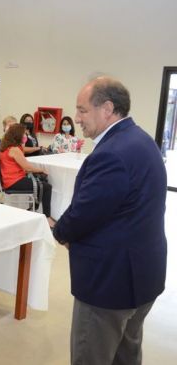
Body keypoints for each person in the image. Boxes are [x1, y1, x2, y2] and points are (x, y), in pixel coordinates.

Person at [53, 77, 167, 365]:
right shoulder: (142, 140)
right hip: (143, 275)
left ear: (107, 108)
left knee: (91, 355)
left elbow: (83, 213)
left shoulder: (112, 154)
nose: (76, 118)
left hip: (110, 283)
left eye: (82, 110)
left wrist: (60, 231)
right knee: (126, 354)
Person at [0, 123, 55, 227]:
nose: (26, 136)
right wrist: (41, 170)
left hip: (9, 181)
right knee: (47, 187)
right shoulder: (14, 150)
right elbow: (27, 167)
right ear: (17, 135)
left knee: (41, 182)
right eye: (24, 134)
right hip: (15, 182)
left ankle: (36, 210)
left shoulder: (6, 148)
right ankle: (47, 218)